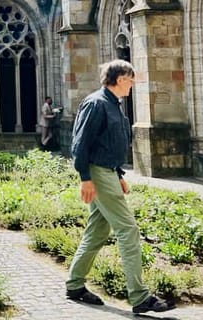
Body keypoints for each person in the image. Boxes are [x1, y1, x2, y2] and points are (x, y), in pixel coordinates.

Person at [66, 59, 175, 314]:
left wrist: (118, 174)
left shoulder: (113, 104)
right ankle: (139, 297)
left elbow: (108, 142)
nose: (132, 84)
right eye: (129, 79)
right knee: (128, 230)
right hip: (97, 173)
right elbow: (80, 145)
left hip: (107, 172)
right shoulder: (96, 104)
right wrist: (85, 177)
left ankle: (74, 284)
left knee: (97, 231)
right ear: (118, 79)